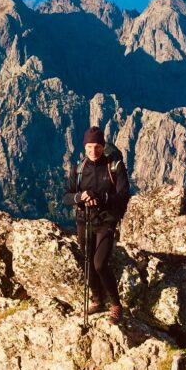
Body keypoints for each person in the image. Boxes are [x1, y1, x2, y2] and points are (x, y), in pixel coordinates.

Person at [62, 126, 131, 323]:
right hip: (84, 221)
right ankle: (97, 299)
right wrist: (80, 197)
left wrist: (100, 198)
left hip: (106, 221)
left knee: (99, 263)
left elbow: (123, 196)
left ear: (103, 146)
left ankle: (116, 305)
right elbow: (66, 196)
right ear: (85, 147)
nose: (94, 151)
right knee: (87, 263)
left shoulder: (114, 167)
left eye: (98, 146)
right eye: (90, 147)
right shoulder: (78, 169)